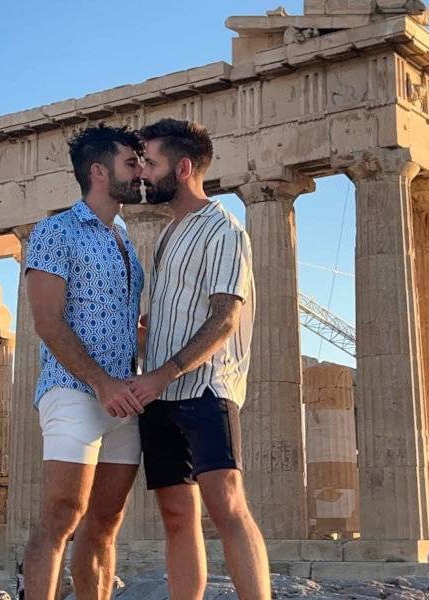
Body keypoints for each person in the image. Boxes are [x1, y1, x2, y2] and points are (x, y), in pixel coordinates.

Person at [129, 118, 269, 600]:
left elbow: (225, 316)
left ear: (183, 167)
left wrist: (163, 371)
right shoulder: (168, 233)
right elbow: (175, 315)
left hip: (207, 386)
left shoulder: (224, 229)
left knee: (227, 505)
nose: (141, 172)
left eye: (150, 162)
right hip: (161, 392)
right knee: (175, 515)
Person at [22, 124, 145, 600]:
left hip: (123, 395)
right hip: (74, 389)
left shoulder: (125, 238)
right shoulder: (56, 231)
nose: (140, 173)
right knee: (62, 514)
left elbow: (110, 319)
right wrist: (100, 383)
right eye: (130, 164)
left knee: (106, 523)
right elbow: (48, 323)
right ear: (99, 170)